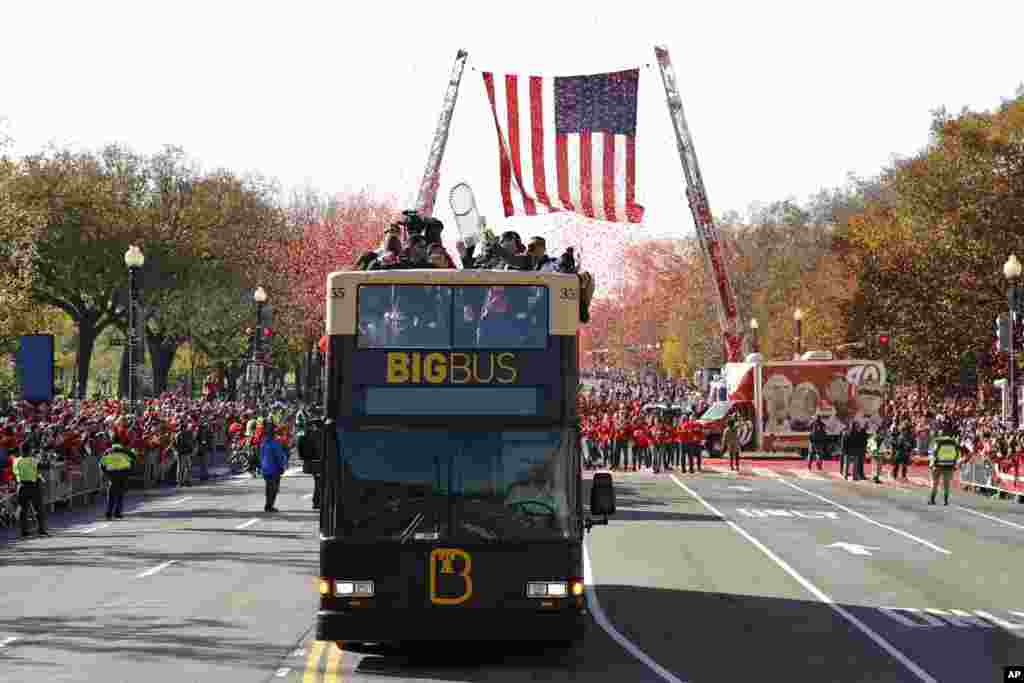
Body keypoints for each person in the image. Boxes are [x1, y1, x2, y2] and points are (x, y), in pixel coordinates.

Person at [12, 446, 49, 537]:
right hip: (33, 486)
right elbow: (45, 467)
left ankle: (24, 532)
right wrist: (47, 458)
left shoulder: (16, 461)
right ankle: (41, 530)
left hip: (21, 486)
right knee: (39, 508)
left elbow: (15, 473)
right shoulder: (32, 460)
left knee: (23, 510)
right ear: (29, 451)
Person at [100, 437, 135, 520]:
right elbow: (133, 459)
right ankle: (118, 512)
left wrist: (106, 473)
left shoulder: (107, 451)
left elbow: (102, 463)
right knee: (120, 493)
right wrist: (129, 471)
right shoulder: (125, 451)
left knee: (111, 494)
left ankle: (108, 513)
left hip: (112, 474)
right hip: (123, 473)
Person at [260, 420, 289, 513]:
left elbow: (261, 456)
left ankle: (268, 504)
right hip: (274, 469)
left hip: (265, 469)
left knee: (269, 487)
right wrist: (282, 466)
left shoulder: (263, 443)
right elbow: (279, 457)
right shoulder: (275, 444)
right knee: (274, 488)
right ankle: (269, 505)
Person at [928, 426, 960, 506]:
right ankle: (945, 501)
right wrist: (954, 464)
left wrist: (931, 464)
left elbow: (933, 453)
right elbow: (957, 455)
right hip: (949, 466)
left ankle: (932, 500)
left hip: (938, 465)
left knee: (935, 483)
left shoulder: (938, 441)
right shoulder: (954, 443)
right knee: (947, 484)